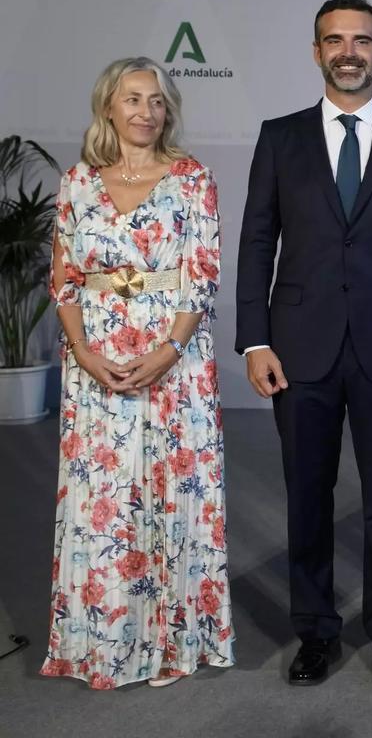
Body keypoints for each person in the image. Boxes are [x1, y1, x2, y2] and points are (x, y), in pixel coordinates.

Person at [235, 0, 372, 687]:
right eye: (335, 40)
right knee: (308, 495)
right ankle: (315, 633)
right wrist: (252, 342)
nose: (348, 51)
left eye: (362, 41)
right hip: (298, 348)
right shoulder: (280, 136)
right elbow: (256, 243)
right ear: (317, 52)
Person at [43, 57, 233, 689]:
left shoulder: (192, 179)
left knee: (168, 493)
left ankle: (171, 643)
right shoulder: (76, 182)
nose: (146, 111)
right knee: (105, 504)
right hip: (94, 365)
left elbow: (201, 276)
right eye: (133, 99)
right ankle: (100, 639)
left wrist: (168, 352)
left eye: (156, 100)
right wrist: (85, 355)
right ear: (109, 108)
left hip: (172, 365)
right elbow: (65, 283)